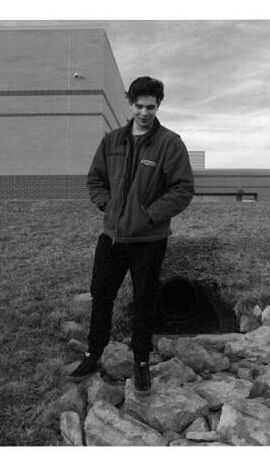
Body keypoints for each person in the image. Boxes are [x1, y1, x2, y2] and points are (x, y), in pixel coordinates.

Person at [67, 76, 194, 395]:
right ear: (131, 104)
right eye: (139, 106)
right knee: (101, 295)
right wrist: (106, 205)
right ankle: (93, 354)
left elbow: (183, 189)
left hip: (149, 241)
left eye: (151, 107)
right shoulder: (112, 141)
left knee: (145, 300)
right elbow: (95, 180)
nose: (145, 112)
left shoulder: (169, 143)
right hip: (111, 238)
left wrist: (149, 215)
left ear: (158, 106)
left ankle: (140, 362)